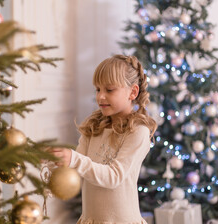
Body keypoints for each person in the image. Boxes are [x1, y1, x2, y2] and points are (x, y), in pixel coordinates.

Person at [51, 55, 157, 224]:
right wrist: (58, 164)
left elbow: (114, 177)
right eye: (98, 89)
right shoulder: (93, 127)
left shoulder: (138, 132)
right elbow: (77, 168)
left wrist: (74, 160)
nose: (100, 97)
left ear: (133, 92)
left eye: (109, 90)